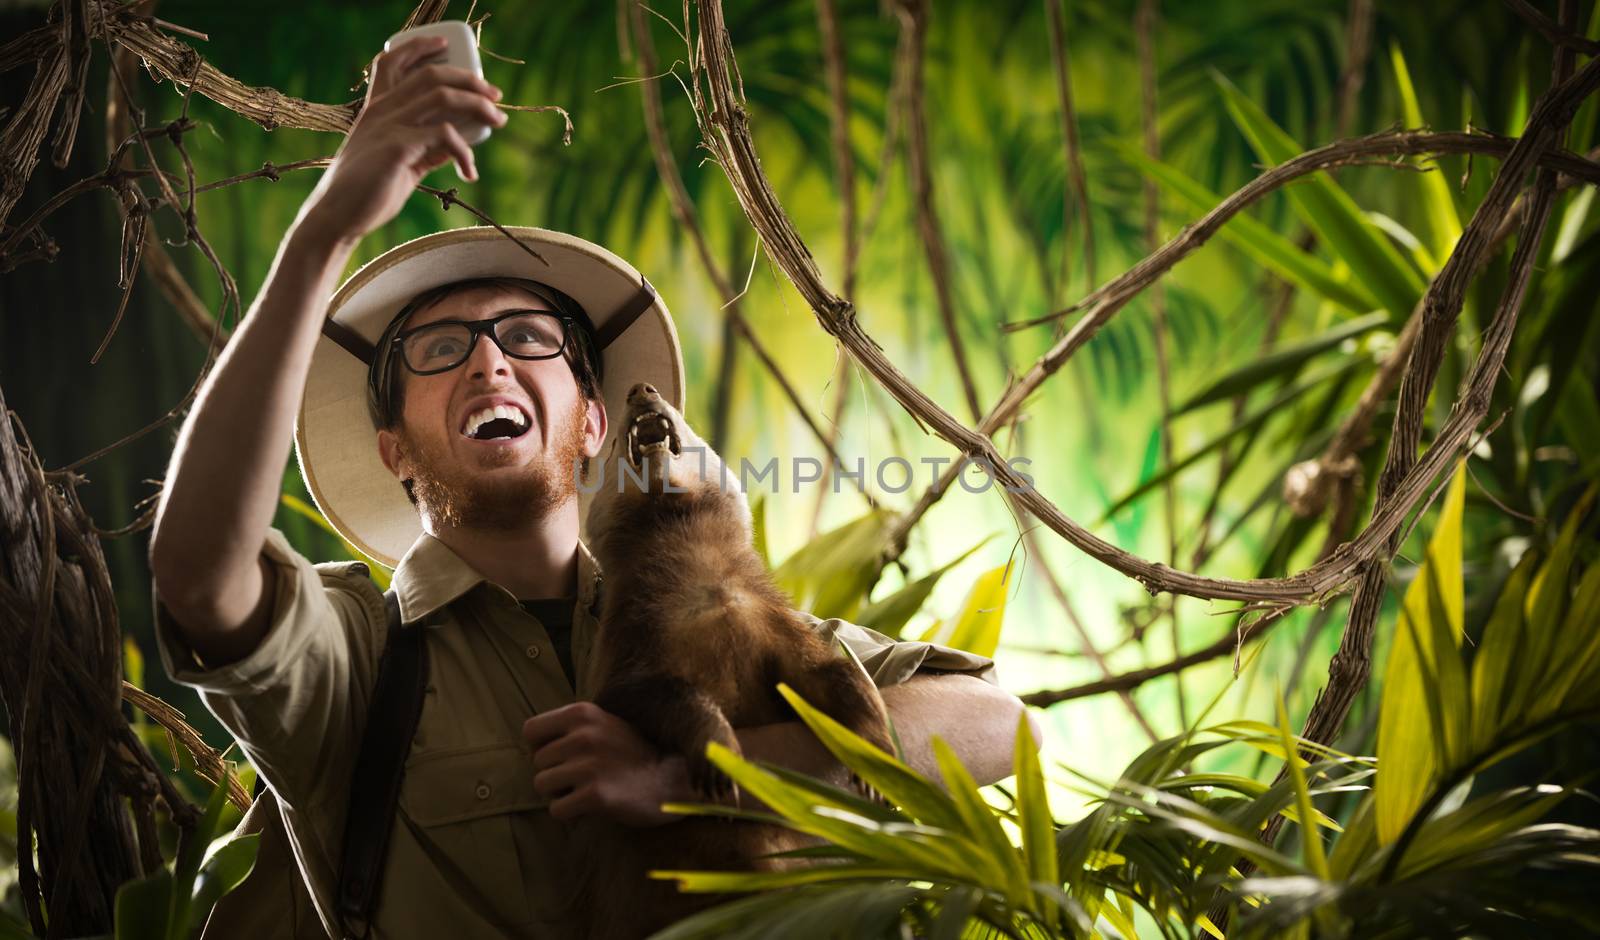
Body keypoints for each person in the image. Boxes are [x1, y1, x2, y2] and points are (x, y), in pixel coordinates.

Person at [149, 34, 1035, 938]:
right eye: (440, 349)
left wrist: (703, 777)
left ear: (592, 422)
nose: (489, 360)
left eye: (528, 336)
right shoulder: (358, 664)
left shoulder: (706, 612)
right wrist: (329, 225)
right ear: (394, 450)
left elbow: (999, 724)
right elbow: (197, 575)